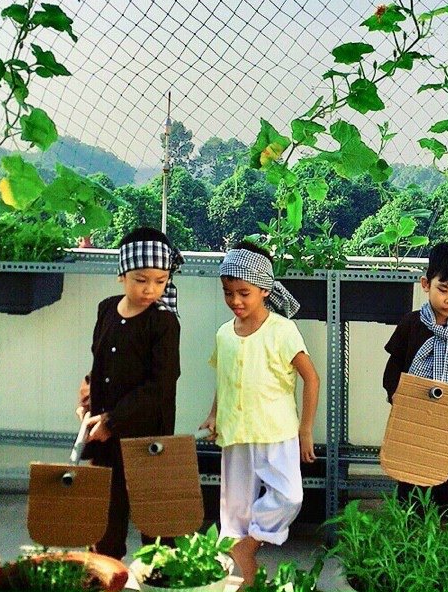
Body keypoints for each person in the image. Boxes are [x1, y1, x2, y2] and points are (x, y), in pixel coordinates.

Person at [199, 241, 320, 586]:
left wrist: (305, 430)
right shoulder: (224, 334)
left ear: (265, 290)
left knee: (289, 497)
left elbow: (311, 378)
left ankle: (251, 542)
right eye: (228, 293)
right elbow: (224, 380)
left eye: (244, 293)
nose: (235, 301)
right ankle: (247, 578)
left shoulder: (282, 330)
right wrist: (214, 414)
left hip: (276, 432)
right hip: (235, 433)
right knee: (234, 513)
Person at [74, 226, 183, 559]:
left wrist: (113, 420)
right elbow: (101, 360)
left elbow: (162, 384)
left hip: (146, 435)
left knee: (155, 520)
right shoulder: (107, 309)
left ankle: (161, 574)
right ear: (122, 275)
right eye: (141, 279)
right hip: (106, 438)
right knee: (106, 515)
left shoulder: (163, 322)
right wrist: (88, 390)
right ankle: (108, 571)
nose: (150, 289)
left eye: (160, 281)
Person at [382, 240, 448, 516]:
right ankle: (410, 533)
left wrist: (445, 403)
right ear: (426, 284)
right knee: (411, 479)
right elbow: (394, 367)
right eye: (444, 289)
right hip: (413, 415)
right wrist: (401, 397)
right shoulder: (411, 324)